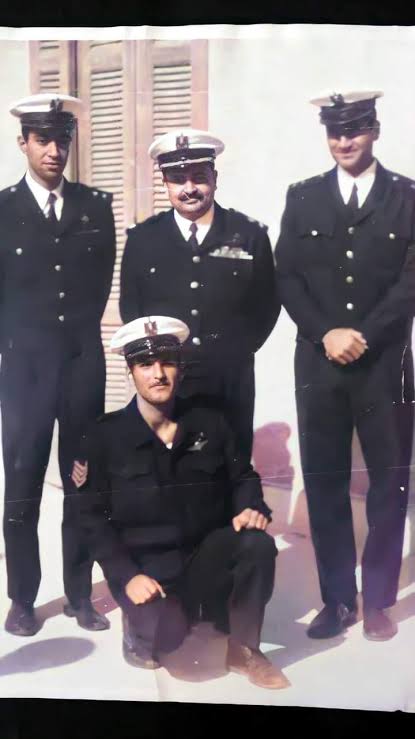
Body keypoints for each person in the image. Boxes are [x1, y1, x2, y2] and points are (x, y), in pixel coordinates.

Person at [77, 315, 289, 690]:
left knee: (257, 545)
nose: (158, 374)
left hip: (203, 558)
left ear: (180, 368)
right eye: (145, 365)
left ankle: (244, 649)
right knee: (185, 663)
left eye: (167, 363)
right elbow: (91, 518)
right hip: (147, 570)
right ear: (131, 372)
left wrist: (250, 506)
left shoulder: (211, 423)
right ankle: (140, 628)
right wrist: (127, 577)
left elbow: (243, 476)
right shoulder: (103, 436)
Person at [275, 90, 415, 641]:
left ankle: (377, 601)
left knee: (389, 485)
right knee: (325, 483)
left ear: (374, 130)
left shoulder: (406, 197)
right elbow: (287, 276)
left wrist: (365, 336)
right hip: (320, 365)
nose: (344, 141)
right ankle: (337, 600)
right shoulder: (303, 197)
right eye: (335, 132)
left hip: (384, 367)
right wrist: (325, 333)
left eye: (354, 129)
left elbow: (411, 280)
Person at [1, 93, 115, 636]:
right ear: (22, 143)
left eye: (61, 140)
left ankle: (79, 595)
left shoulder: (96, 207)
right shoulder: (2, 210)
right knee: (22, 485)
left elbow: (98, 287)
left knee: (83, 482)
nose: (53, 150)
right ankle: (23, 598)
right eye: (42, 139)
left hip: (80, 367)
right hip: (24, 372)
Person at [119, 129, 280, 462]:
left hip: (229, 379)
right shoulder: (143, 240)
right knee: (171, 470)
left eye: (199, 177)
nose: (189, 188)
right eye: (178, 179)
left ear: (215, 179)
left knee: (231, 466)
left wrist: (236, 350)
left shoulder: (248, 235)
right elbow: (131, 308)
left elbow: (267, 304)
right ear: (165, 183)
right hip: (169, 383)